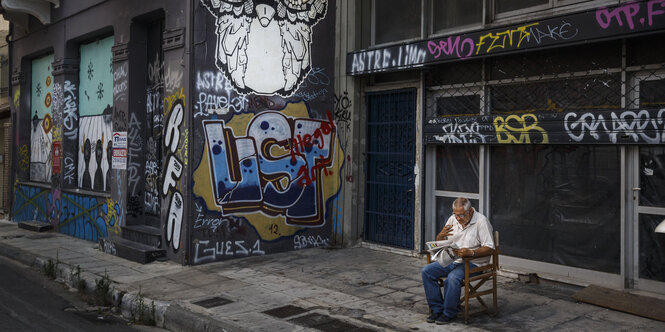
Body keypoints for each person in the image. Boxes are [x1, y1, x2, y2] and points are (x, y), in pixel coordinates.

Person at [421, 197, 495, 325]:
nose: (458, 218)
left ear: (470, 211)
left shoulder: (481, 221)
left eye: (461, 215)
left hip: (475, 263)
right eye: (456, 214)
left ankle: (449, 313)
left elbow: (490, 247)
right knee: (427, 271)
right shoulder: (452, 219)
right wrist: (440, 236)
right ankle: (437, 309)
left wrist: (471, 252)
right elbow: (441, 241)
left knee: (452, 278)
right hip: (454, 260)